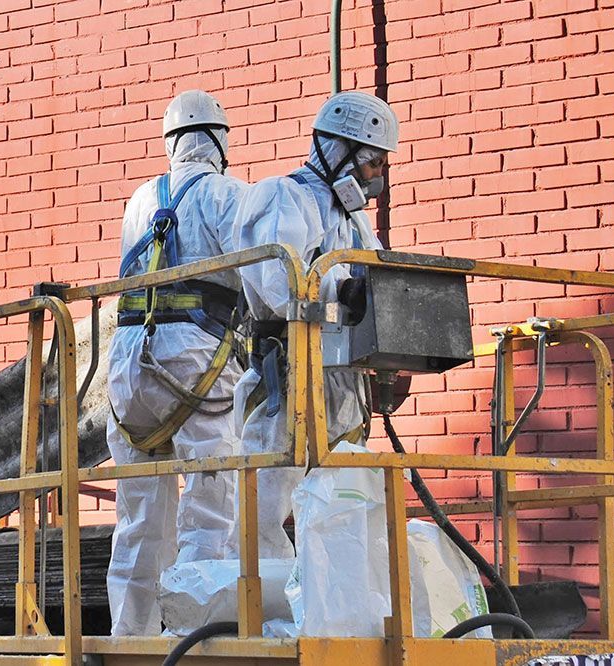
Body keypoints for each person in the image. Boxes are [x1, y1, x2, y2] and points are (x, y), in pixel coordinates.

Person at [231, 91, 399, 559]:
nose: (376, 178)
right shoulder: (285, 197)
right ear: (336, 150)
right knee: (263, 510)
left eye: (381, 166)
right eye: (371, 164)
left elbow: (381, 279)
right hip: (285, 375)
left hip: (342, 382)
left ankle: (333, 614)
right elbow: (278, 282)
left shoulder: (358, 225)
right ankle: (261, 618)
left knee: (345, 510)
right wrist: (341, 289)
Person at [105, 89, 248, 636]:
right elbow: (255, 277)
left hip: (129, 368)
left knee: (140, 517)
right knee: (210, 504)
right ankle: (193, 637)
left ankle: (130, 638)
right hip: (193, 360)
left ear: (171, 142)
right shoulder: (224, 194)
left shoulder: (141, 198)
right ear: (219, 139)